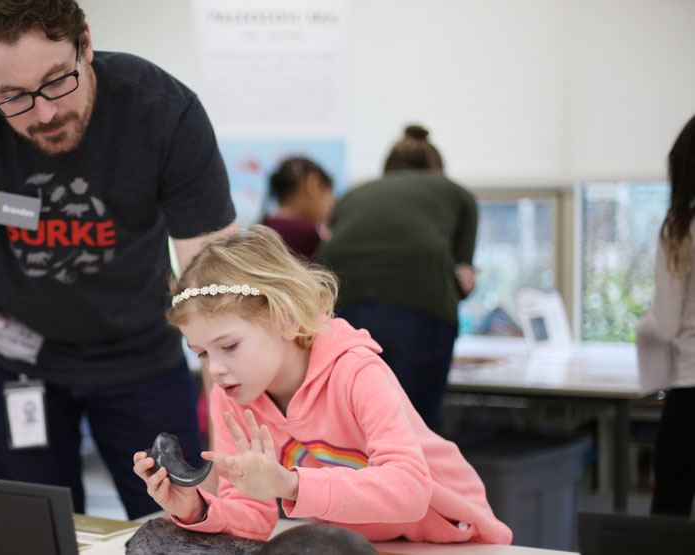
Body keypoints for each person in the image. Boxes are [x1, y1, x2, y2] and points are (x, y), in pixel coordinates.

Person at [0, 0, 238, 544]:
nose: (45, 113)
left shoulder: (164, 112)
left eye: (58, 80)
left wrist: (229, 459)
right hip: (14, 360)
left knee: (192, 528)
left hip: (139, 358)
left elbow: (220, 291)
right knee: (30, 537)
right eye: (12, 97)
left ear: (85, 42)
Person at [132, 226, 511, 544]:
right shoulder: (230, 396)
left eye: (229, 346)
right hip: (365, 544)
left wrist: (291, 484)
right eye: (200, 353)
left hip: (458, 539)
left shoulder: (356, 371)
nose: (215, 369)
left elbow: (411, 490)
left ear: (288, 319)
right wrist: (195, 508)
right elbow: (253, 514)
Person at [314, 124, 477, 431]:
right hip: (421, 311)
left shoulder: (352, 195)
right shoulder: (458, 194)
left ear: (387, 169)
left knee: (354, 427)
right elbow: (462, 277)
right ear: (437, 169)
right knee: (414, 429)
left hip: (341, 313)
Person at [636, 113, 695, 518]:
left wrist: (643, 325)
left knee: (669, 515)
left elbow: (667, 323)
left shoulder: (681, 228)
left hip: (691, 390)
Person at [261, 157, 335, 259]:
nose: (331, 207)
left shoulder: (262, 229)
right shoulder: (310, 236)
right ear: (313, 185)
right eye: (330, 197)